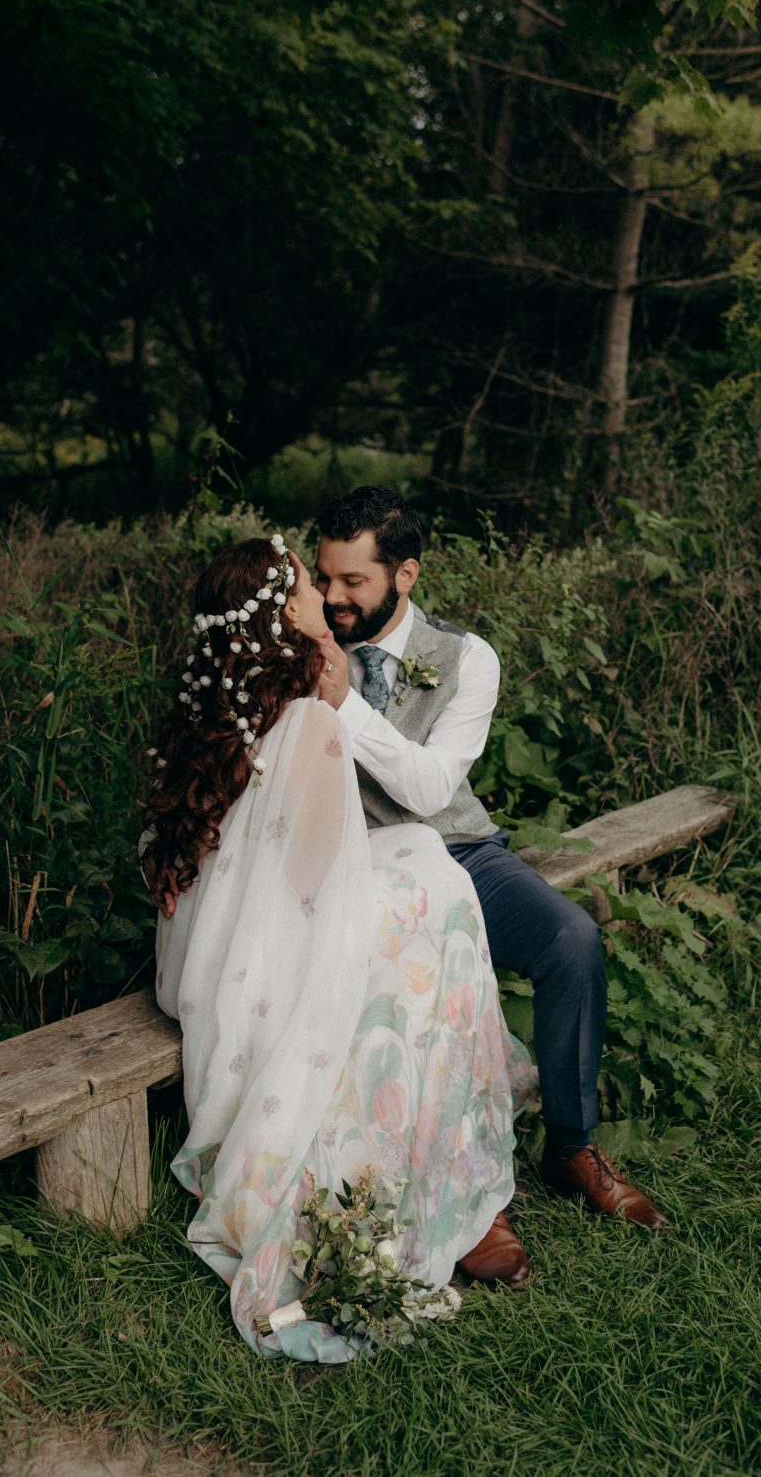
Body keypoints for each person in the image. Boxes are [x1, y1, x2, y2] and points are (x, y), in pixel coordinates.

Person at [140, 535, 536, 1363]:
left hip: (204, 952)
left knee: (428, 861)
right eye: (309, 585)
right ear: (290, 614)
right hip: (278, 947)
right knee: (441, 910)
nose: (326, 593)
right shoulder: (313, 721)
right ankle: (457, 1174)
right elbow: (318, 883)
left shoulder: (220, 706)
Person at [313, 486, 667, 1237]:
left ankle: (570, 1147)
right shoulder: (305, 647)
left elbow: (433, 786)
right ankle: (463, 1186)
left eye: (353, 582)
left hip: (459, 849)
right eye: (324, 578)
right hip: (356, 869)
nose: (333, 598)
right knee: (422, 991)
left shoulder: (467, 657)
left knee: (571, 940)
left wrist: (345, 703)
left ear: (405, 576)